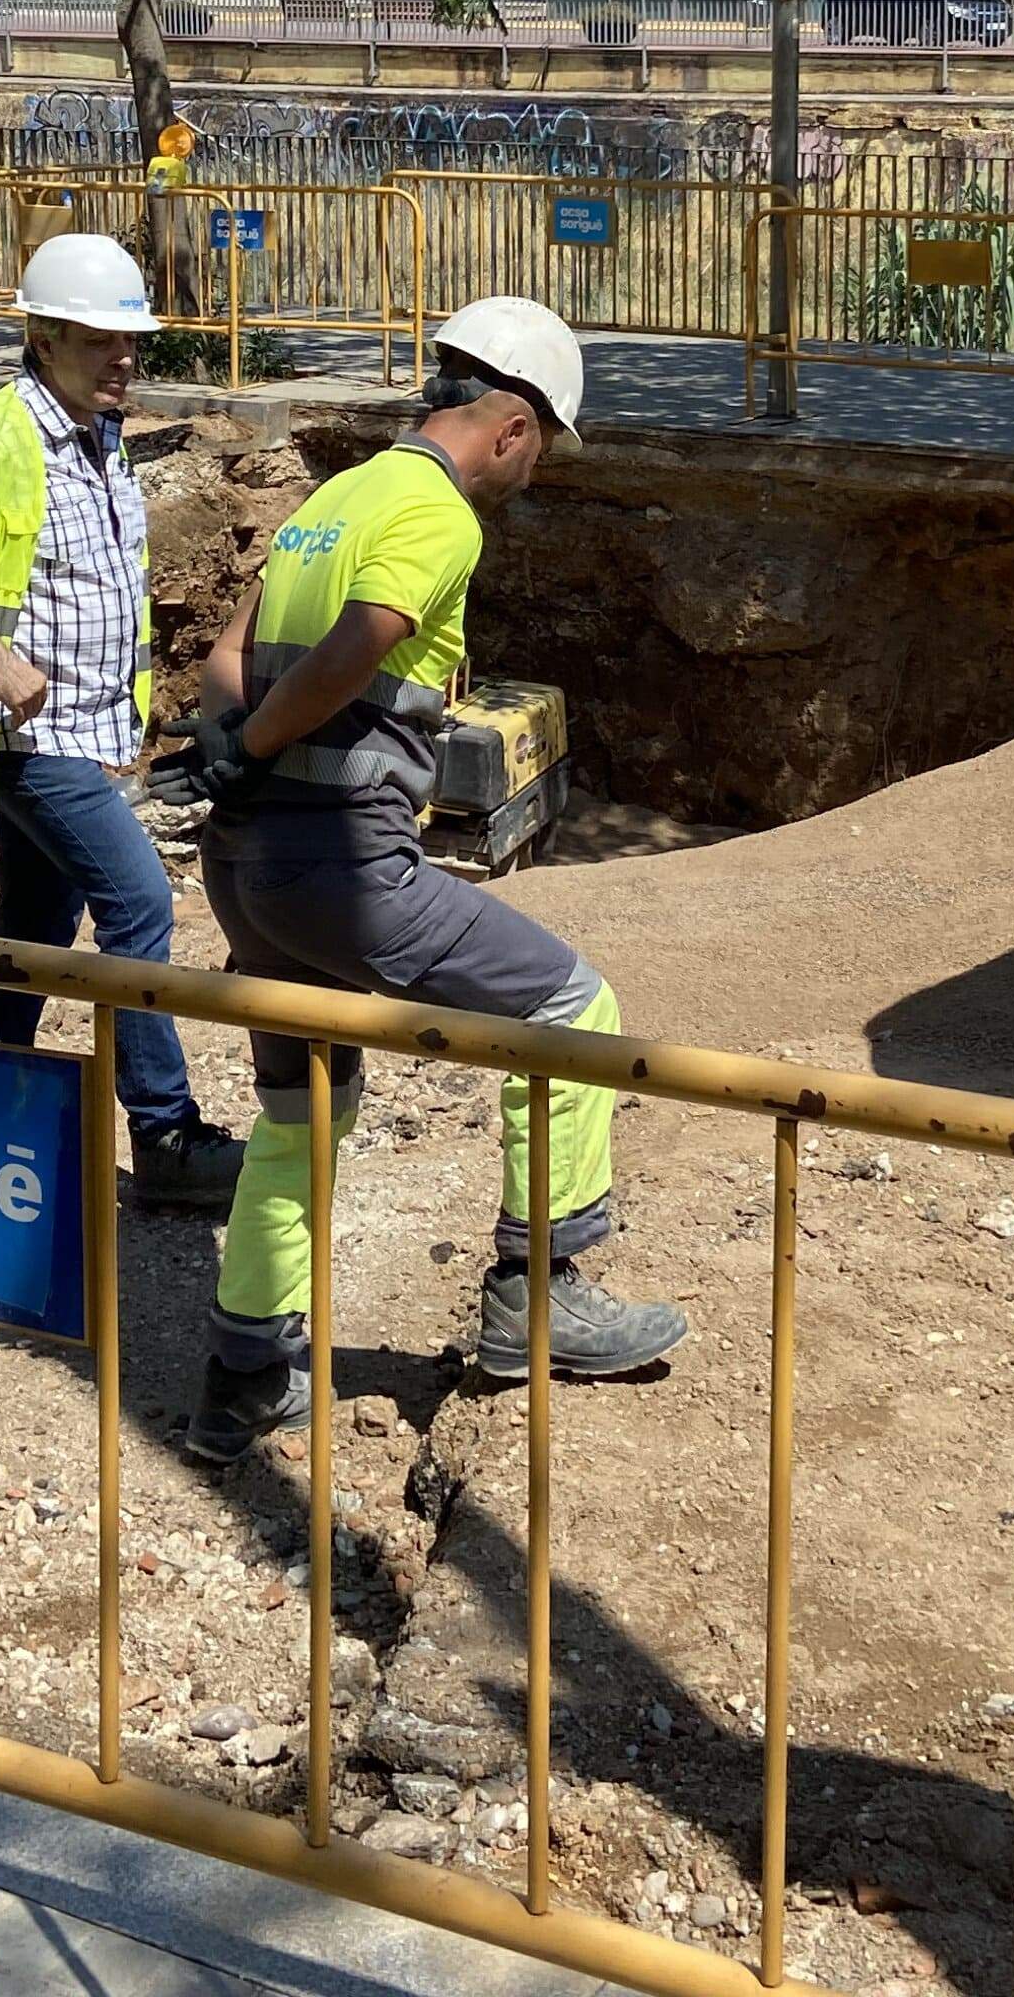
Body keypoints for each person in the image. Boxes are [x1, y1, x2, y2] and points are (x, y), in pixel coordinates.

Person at [161, 298, 683, 1461]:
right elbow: (367, 637)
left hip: (250, 866)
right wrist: (256, 751)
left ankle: (243, 1377)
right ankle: (538, 1299)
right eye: (541, 448)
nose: (534, 473)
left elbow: (227, 658)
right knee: (571, 1009)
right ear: (508, 422)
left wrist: (240, 750)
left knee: (302, 1117)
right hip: (345, 863)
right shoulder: (436, 513)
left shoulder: (333, 499)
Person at [0, 231, 244, 1211]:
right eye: (96, 340)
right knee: (140, 907)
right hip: (35, 741)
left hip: (80, 730)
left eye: (131, 341)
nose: (124, 359)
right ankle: (164, 1137)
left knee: (35, 916)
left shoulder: (97, 426)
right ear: (40, 338)